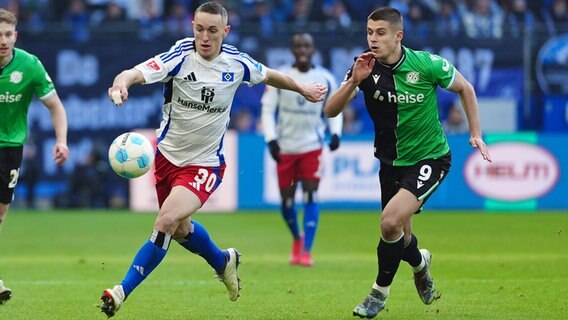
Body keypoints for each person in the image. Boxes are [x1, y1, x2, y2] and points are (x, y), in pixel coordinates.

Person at [99, 2, 327, 317]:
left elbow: (270, 75)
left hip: (205, 164)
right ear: (192, 26)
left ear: (225, 31)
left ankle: (121, 291)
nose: (204, 37)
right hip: (167, 160)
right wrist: (122, 83)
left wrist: (302, 89)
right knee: (179, 230)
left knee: (165, 221)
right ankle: (222, 261)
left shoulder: (236, 63)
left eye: (212, 31)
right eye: (199, 29)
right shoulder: (179, 56)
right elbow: (135, 72)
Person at [323, 7, 492, 319]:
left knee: (389, 222)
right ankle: (420, 264)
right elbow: (331, 111)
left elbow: (465, 88)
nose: (373, 39)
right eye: (370, 32)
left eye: (381, 33)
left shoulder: (426, 64)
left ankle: (378, 293)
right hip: (390, 163)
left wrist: (476, 133)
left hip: (431, 157)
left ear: (398, 36)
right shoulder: (364, 67)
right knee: (401, 237)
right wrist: (352, 82)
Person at [0, 8, 69, 304]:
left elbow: (55, 106)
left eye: (6, 35)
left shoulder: (29, 66)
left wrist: (62, 141)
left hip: (10, 149)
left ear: (15, 36)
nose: (2, 41)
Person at [261, 32, 343, 267]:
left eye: (307, 45)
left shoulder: (325, 77)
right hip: (286, 147)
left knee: (310, 194)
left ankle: (306, 250)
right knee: (286, 204)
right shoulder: (282, 77)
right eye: (298, 46)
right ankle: (297, 238)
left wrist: (336, 133)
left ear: (313, 48)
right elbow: (267, 110)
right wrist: (271, 139)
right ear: (293, 50)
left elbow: (333, 109)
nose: (303, 50)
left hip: (312, 147)